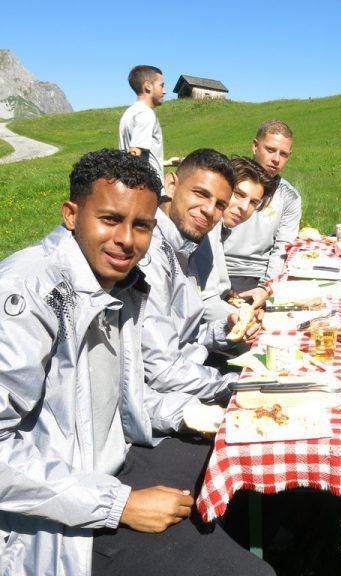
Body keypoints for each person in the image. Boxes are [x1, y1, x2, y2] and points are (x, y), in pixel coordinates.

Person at [0, 149, 274, 576]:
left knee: (234, 452)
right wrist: (121, 505)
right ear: (71, 214)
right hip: (53, 526)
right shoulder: (29, 291)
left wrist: (192, 413)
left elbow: (121, 400)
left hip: (113, 466)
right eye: (110, 219)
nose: (127, 239)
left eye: (141, 225)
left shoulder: (123, 284)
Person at [140, 149, 249, 402]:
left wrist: (225, 330)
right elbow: (162, 370)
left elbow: (182, 335)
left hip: (189, 374)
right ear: (171, 184)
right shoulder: (149, 252)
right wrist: (236, 387)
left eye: (220, 204)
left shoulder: (186, 242)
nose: (209, 210)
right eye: (200, 194)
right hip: (162, 398)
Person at [224, 120, 302, 308]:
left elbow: (283, 248)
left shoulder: (289, 197)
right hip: (217, 268)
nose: (276, 159)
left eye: (283, 154)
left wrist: (266, 287)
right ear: (255, 146)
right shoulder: (227, 179)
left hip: (257, 274)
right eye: (270, 150)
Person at [192, 156, 278, 324]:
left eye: (253, 202)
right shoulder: (206, 228)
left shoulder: (219, 227)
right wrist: (247, 322)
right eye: (239, 195)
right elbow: (207, 304)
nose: (244, 208)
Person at [119, 65, 166, 184]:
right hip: (147, 190)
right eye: (161, 85)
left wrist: (167, 162)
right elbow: (134, 154)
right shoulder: (146, 114)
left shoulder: (129, 113)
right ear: (148, 86)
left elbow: (136, 156)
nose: (164, 91)